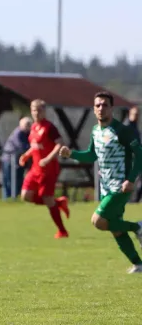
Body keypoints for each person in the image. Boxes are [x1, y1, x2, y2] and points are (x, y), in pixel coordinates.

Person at [59, 91, 142, 273]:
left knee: (97, 221)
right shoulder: (96, 131)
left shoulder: (122, 130)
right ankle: (139, 263)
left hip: (120, 185)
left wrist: (130, 179)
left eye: (105, 105)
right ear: (93, 108)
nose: (101, 108)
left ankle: (137, 227)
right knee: (114, 228)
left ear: (111, 108)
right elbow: (91, 155)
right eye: (97, 105)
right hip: (105, 186)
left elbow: (140, 154)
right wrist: (71, 153)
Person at [19, 99, 70, 238]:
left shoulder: (50, 127)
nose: (36, 113)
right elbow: (35, 146)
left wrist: (48, 158)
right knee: (26, 195)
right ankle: (59, 203)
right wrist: (26, 155)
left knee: (47, 198)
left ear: (44, 111)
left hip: (49, 169)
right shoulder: (34, 127)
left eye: (39, 110)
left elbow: (59, 144)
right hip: (35, 169)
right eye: (34, 110)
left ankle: (62, 231)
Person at [0, 117, 32, 199]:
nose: (28, 127)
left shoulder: (28, 133)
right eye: (26, 125)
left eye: (29, 125)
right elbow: (21, 146)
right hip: (9, 159)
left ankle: (16, 196)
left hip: (18, 160)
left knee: (18, 179)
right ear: (21, 125)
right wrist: (33, 148)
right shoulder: (18, 133)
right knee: (8, 180)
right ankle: (7, 198)